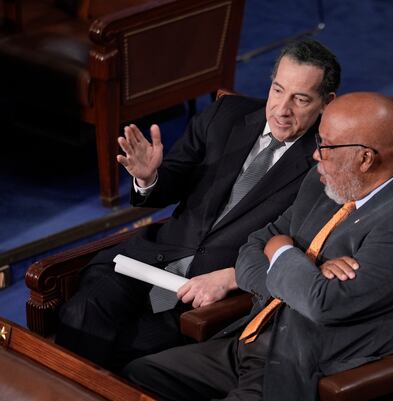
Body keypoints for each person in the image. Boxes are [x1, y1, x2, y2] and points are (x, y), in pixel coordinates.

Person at [124, 92, 393, 401]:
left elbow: (322, 304)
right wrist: (303, 270)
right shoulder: (325, 182)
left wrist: (283, 251)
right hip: (252, 342)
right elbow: (252, 248)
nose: (315, 155)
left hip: (308, 371)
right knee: (139, 375)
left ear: (365, 158)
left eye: (325, 146)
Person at [54, 39, 340, 371]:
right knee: (81, 315)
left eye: (300, 99)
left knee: (129, 353)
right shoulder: (226, 114)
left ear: (326, 103)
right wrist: (149, 177)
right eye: (277, 90)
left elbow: (304, 250)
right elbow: (173, 180)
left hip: (207, 296)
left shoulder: (326, 164)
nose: (281, 108)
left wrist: (233, 277)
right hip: (148, 263)